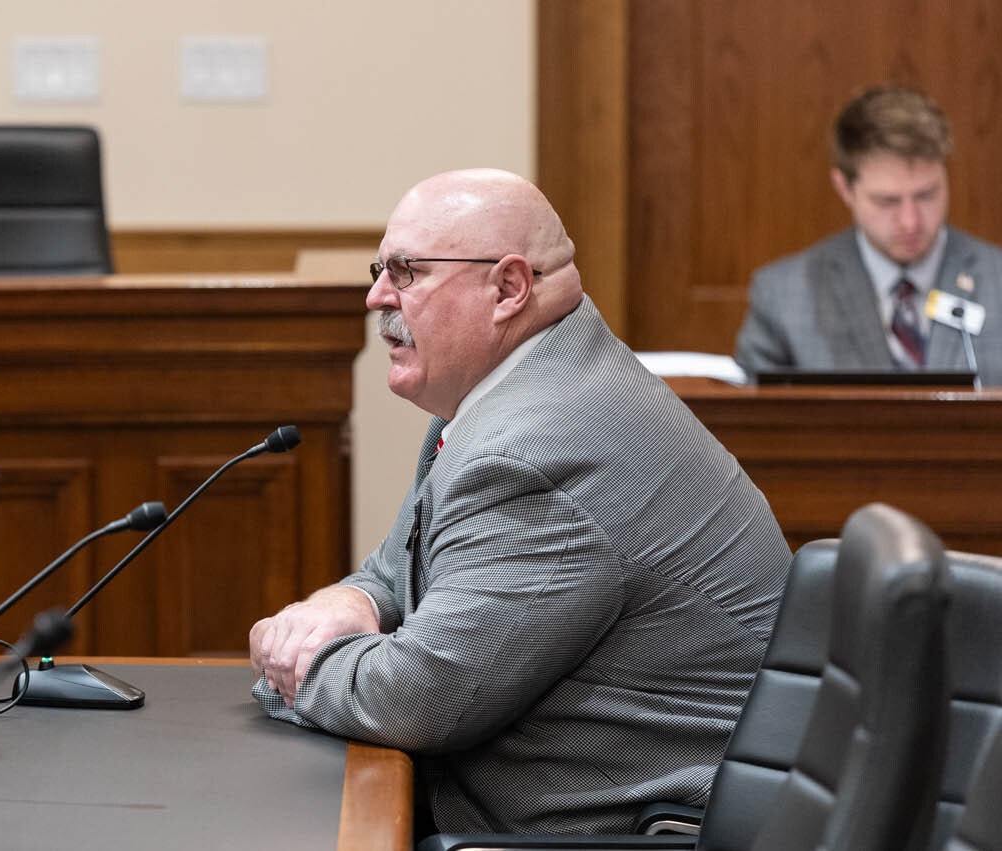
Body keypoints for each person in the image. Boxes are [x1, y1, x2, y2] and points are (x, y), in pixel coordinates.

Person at [248, 169, 792, 835]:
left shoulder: (534, 451)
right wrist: (347, 603)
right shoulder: (522, 383)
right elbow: (403, 565)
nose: (376, 296)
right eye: (380, 269)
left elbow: (418, 697)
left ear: (508, 288)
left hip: (620, 832)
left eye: (406, 272)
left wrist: (297, 665)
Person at [734, 84, 1002, 384]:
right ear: (845, 188)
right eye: (887, 201)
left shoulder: (998, 279)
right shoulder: (783, 296)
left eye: (926, 195)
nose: (910, 221)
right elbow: (755, 424)